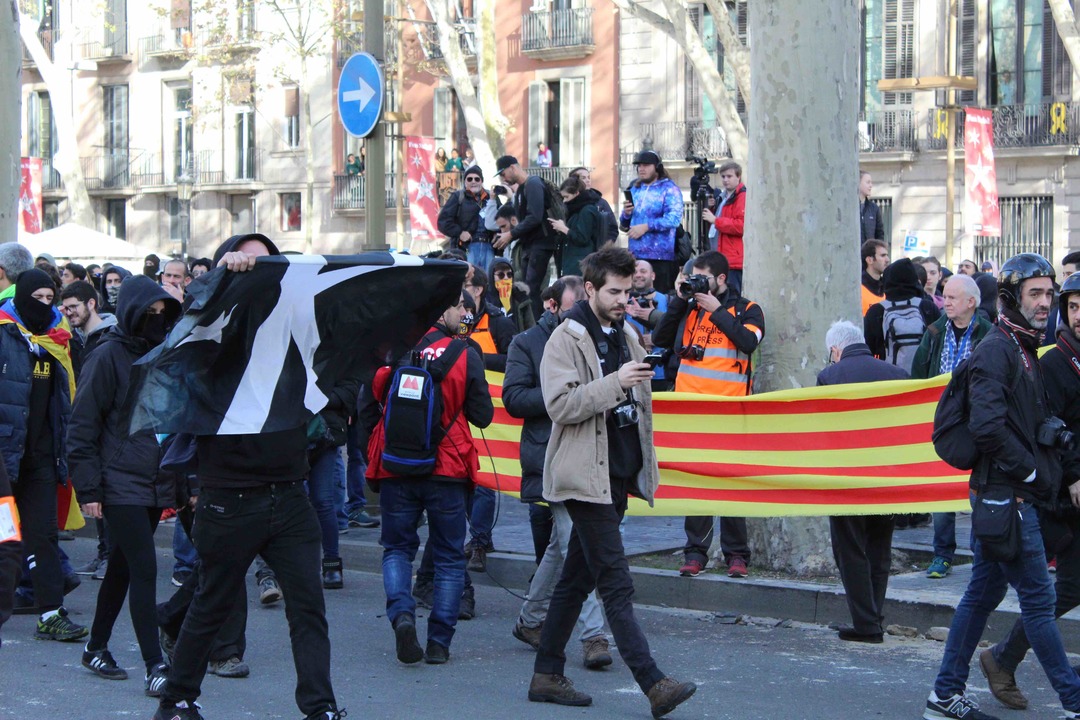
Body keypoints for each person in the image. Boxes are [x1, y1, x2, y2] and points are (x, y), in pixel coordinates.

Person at [153, 234, 344, 720]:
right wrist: (222, 279)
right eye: (248, 261)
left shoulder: (294, 326)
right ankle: (176, 702)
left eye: (267, 263)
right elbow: (187, 332)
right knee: (211, 603)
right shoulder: (213, 327)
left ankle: (320, 709)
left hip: (290, 495)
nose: (257, 270)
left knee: (309, 609)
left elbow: (341, 322)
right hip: (229, 497)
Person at [527, 245, 696, 718]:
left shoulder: (625, 333)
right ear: (590, 289)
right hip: (584, 477)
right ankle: (653, 682)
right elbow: (561, 406)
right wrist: (616, 381)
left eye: (628, 291)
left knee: (575, 580)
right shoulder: (565, 338)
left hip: (616, 475)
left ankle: (546, 674)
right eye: (615, 292)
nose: (624, 300)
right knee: (615, 582)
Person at [922, 253, 1080, 720]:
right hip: (1005, 497)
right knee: (1039, 602)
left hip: (1009, 495)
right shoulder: (998, 349)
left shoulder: (1023, 346)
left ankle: (944, 695)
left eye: (1049, 294)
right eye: (1035, 293)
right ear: (1011, 298)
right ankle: (1074, 701)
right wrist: (1030, 473)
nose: (1045, 303)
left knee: (981, 596)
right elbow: (987, 426)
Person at [364, 290, 494, 665]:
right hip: (447, 469)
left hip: (396, 465)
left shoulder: (394, 349)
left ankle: (402, 615)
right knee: (450, 559)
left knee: (396, 550)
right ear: (443, 309)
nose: (465, 315)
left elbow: (372, 398)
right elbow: (483, 416)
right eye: (461, 307)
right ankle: (439, 643)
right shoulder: (465, 353)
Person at [69, 275, 182, 693]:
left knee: (121, 566)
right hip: (118, 481)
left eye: (162, 313)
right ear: (132, 313)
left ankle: (95, 647)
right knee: (144, 568)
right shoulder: (106, 356)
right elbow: (82, 426)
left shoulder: (163, 352)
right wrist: (89, 490)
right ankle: (155, 666)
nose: (156, 319)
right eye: (149, 313)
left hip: (153, 479)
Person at [978, 269, 1080, 712]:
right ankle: (1002, 661)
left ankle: (996, 660)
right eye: (1073, 307)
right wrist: (1070, 476)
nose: (1078, 315)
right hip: (1059, 494)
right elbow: (1045, 428)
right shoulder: (1054, 361)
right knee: (1058, 591)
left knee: (993, 591)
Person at [505, 278, 612, 670]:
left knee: (559, 546)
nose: (582, 309)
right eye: (574, 303)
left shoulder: (596, 337)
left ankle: (530, 619)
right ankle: (593, 635)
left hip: (590, 454)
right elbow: (514, 398)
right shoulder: (526, 343)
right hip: (551, 457)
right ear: (551, 306)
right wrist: (563, 397)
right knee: (577, 543)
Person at [653, 251, 764, 579]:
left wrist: (717, 311)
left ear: (721, 279)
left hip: (729, 413)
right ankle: (695, 553)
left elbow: (748, 342)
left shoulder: (747, 309)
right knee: (696, 483)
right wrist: (679, 300)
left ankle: (737, 555)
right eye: (692, 278)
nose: (696, 284)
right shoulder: (689, 308)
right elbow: (660, 339)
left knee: (731, 483)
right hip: (691, 413)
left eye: (701, 278)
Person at [0, 269, 84, 641]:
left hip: (42, 457)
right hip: (4, 457)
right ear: (21, 298)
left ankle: (51, 613)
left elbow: (65, 398)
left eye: (51, 299)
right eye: (38, 298)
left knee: (44, 535)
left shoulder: (57, 340)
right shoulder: (3, 333)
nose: (45, 306)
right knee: (5, 538)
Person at [818, 321, 908, 643]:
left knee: (849, 549)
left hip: (847, 477)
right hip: (888, 476)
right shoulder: (899, 375)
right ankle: (874, 617)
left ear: (835, 350)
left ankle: (867, 624)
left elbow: (824, 427)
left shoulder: (830, 376)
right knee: (879, 548)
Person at [910, 274, 992, 580]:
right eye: (945, 296)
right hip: (944, 422)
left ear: (971, 302)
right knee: (941, 488)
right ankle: (942, 554)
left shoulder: (989, 333)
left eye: (952, 297)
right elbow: (918, 376)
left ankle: (977, 555)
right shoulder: (934, 332)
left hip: (977, 422)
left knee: (977, 489)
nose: (945, 302)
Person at [494, 155, 559, 318]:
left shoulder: (533, 184)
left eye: (503, 174)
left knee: (532, 289)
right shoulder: (522, 189)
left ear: (512, 167)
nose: (503, 179)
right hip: (530, 245)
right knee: (526, 289)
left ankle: (536, 324)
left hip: (540, 244)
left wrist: (511, 234)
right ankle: (529, 323)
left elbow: (535, 217)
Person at [619, 150, 684, 294]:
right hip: (635, 256)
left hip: (660, 257)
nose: (641, 169)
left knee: (659, 299)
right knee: (634, 299)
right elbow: (624, 224)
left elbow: (674, 219)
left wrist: (647, 227)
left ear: (657, 167)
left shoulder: (670, 189)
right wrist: (626, 214)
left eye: (646, 165)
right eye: (639, 165)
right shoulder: (635, 189)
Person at [864, 257, 940, 372]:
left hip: (889, 377)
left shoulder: (877, 311)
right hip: (924, 378)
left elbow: (868, 348)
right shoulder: (927, 308)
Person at [438, 165, 495, 271]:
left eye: (477, 179)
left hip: (489, 247)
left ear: (481, 181)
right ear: (465, 182)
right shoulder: (458, 196)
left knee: (489, 278)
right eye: (469, 179)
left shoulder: (491, 197)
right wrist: (460, 232)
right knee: (469, 277)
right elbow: (443, 222)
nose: (473, 181)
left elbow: (501, 218)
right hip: (467, 247)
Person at [701, 161, 746, 293]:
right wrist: (712, 209)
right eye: (723, 176)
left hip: (734, 259)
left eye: (729, 176)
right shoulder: (723, 197)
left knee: (733, 295)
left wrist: (715, 220)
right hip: (724, 257)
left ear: (738, 177)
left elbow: (741, 226)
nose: (726, 180)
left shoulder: (741, 197)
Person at [548, 176, 602, 277]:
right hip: (572, 262)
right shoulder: (574, 210)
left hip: (579, 264)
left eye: (566, 197)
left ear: (576, 193)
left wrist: (564, 228)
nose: (564, 201)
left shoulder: (587, 210)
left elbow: (582, 237)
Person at [569, 166, 619, 243]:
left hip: (597, 248)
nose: (588, 180)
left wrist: (606, 245)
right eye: (583, 178)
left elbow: (612, 228)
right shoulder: (568, 201)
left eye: (589, 177)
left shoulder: (600, 202)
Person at [860, 239, 889, 316]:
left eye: (887, 255)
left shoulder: (887, 287)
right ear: (869, 260)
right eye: (883, 255)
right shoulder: (857, 288)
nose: (887, 260)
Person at [859, 171, 884, 243]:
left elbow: (880, 234)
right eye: (868, 182)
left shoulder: (874, 209)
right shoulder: (850, 208)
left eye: (871, 183)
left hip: (870, 250)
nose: (871, 185)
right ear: (858, 183)